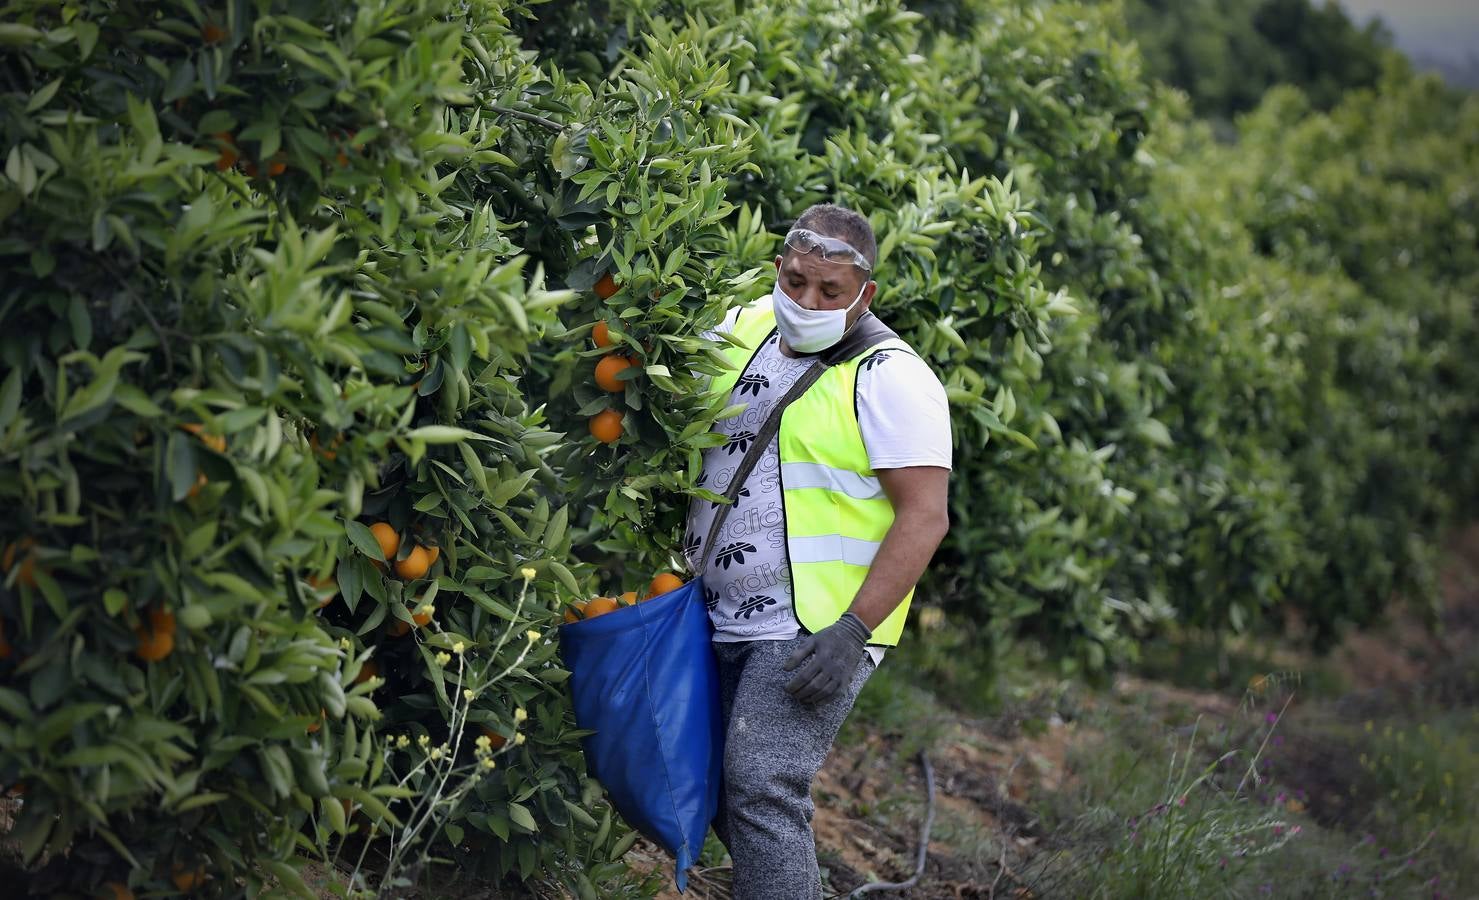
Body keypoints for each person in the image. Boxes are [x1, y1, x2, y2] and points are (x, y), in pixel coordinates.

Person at [684, 203, 952, 898]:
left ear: (864, 295)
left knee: (762, 782)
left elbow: (923, 517)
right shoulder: (740, 326)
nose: (807, 301)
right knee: (717, 785)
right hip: (711, 609)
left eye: (829, 293)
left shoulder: (891, 376)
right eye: (797, 281)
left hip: (813, 627)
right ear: (778, 267)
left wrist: (851, 632)